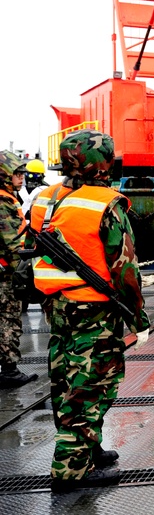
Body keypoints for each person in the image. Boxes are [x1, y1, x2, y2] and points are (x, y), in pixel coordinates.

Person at [25, 130, 149, 491]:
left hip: (58, 306)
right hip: (94, 310)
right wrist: (138, 320)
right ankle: (70, 471)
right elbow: (125, 268)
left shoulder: (45, 198)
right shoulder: (104, 203)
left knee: (65, 377)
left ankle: (88, 449)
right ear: (103, 162)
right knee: (90, 386)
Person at [0, 152, 35, 389]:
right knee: (9, 320)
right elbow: (12, 244)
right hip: (6, 276)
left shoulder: (9, 199)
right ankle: (9, 371)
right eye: (17, 174)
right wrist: (24, 272)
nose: (21, 178)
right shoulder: (3, 204)